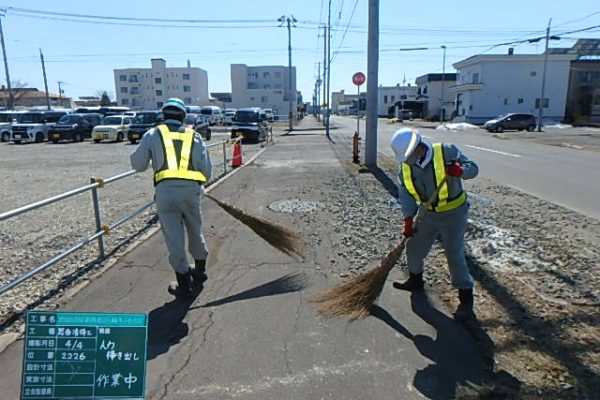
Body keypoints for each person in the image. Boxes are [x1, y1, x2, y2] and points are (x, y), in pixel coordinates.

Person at [389, 128, 479, 321]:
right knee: (413, 247)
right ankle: (415, 280)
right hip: (427, 214)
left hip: (453, 213)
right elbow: (405, 193)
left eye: (408, 156)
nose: (407, 161)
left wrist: (460, 171)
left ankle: (465, 299)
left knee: (454, 254)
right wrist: (407, 218)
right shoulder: (406, 166)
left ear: (418, 148)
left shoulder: (446, 151)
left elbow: (474, 168)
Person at [130, 98, 212, 299]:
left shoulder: (152, 134)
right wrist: (197, 183)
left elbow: (138, 165)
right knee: (195, 228)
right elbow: (207, 170)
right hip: (191, 192)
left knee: (174, 239)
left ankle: (183, 284)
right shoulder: (194, 136)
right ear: (183, 116)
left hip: (166, 194)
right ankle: (200, 271)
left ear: (164, 115)